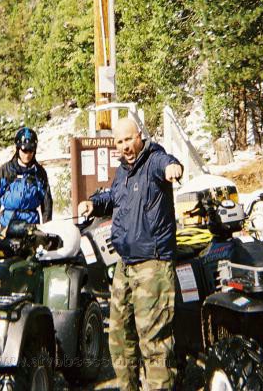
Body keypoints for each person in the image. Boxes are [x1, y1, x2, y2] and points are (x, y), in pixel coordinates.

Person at [78, 117, 183, 391]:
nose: (125, 146)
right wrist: (93, 204)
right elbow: (114, 197)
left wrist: (174, 168)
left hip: (153, 263)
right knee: (119, 336)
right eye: (120, 141)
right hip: (125, 264)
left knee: (154, 340)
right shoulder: (123, 171)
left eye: (128, 139)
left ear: (140, 136)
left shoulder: (154, 159)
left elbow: (168, 163)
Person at [0, 127, 52, 229]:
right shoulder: (6, 170)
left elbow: (46, 201)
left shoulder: (39, 172)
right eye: (24, 150)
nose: (27, 154)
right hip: (8, 224)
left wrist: (47, 224)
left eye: (31, 150)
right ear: (18, 149)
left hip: (31, 224)